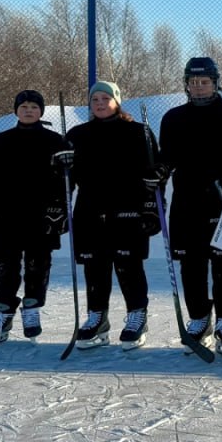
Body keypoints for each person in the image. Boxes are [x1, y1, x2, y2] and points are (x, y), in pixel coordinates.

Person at [156, 56, 222, 355]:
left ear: (215, 83)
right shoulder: (173, 118)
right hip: (188, 200)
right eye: (193, 82)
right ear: (186, 85)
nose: (198, 87)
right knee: (191, 264)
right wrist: (158, 170)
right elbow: (167, 157)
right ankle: (200, 319)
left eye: (204, 82)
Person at [52, 81, 160, 351]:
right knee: (94, 266)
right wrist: (61, 167)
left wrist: (153, 208)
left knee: (128, 265)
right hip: (89, 209)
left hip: (127, 209)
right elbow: (66, 180)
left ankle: (137, 316)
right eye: (95, 99)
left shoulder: (138, 132)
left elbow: (155, 175)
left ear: (117, 101)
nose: (99, 103)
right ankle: (97, 317)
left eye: (105, 98)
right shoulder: (77, 134)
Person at [0, 90, 69, 345]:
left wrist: (60, 208)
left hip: (41, 216)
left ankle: (32, 309)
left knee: (39, 263)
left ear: (41, 111)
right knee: (4, 265)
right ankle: (3, 314)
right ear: (16, 110)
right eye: (23, 106)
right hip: (7, 215)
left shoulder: (56, 141)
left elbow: (65, 184)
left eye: (34, 107)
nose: (28, 110)